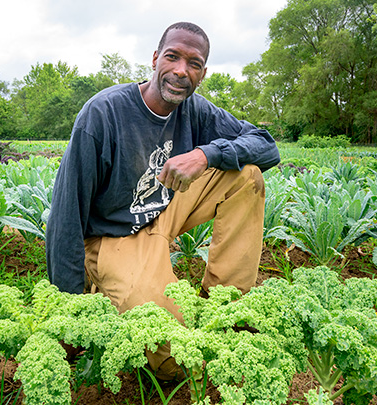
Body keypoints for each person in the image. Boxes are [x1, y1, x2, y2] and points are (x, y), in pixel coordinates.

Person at [45, 21, 280, 379]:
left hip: (163, 213)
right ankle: (110, 286)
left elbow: (266, 146)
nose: (181, 71)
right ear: (155, 59)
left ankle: (224, 308)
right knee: (174, 357)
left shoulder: (196, 110)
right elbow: (66, 215)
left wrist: (205, 155)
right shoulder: (103, 115)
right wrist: (71, 310)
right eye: (172, 57)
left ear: (202, 73)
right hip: (112, 236)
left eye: (194, 63)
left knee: (247, 177)